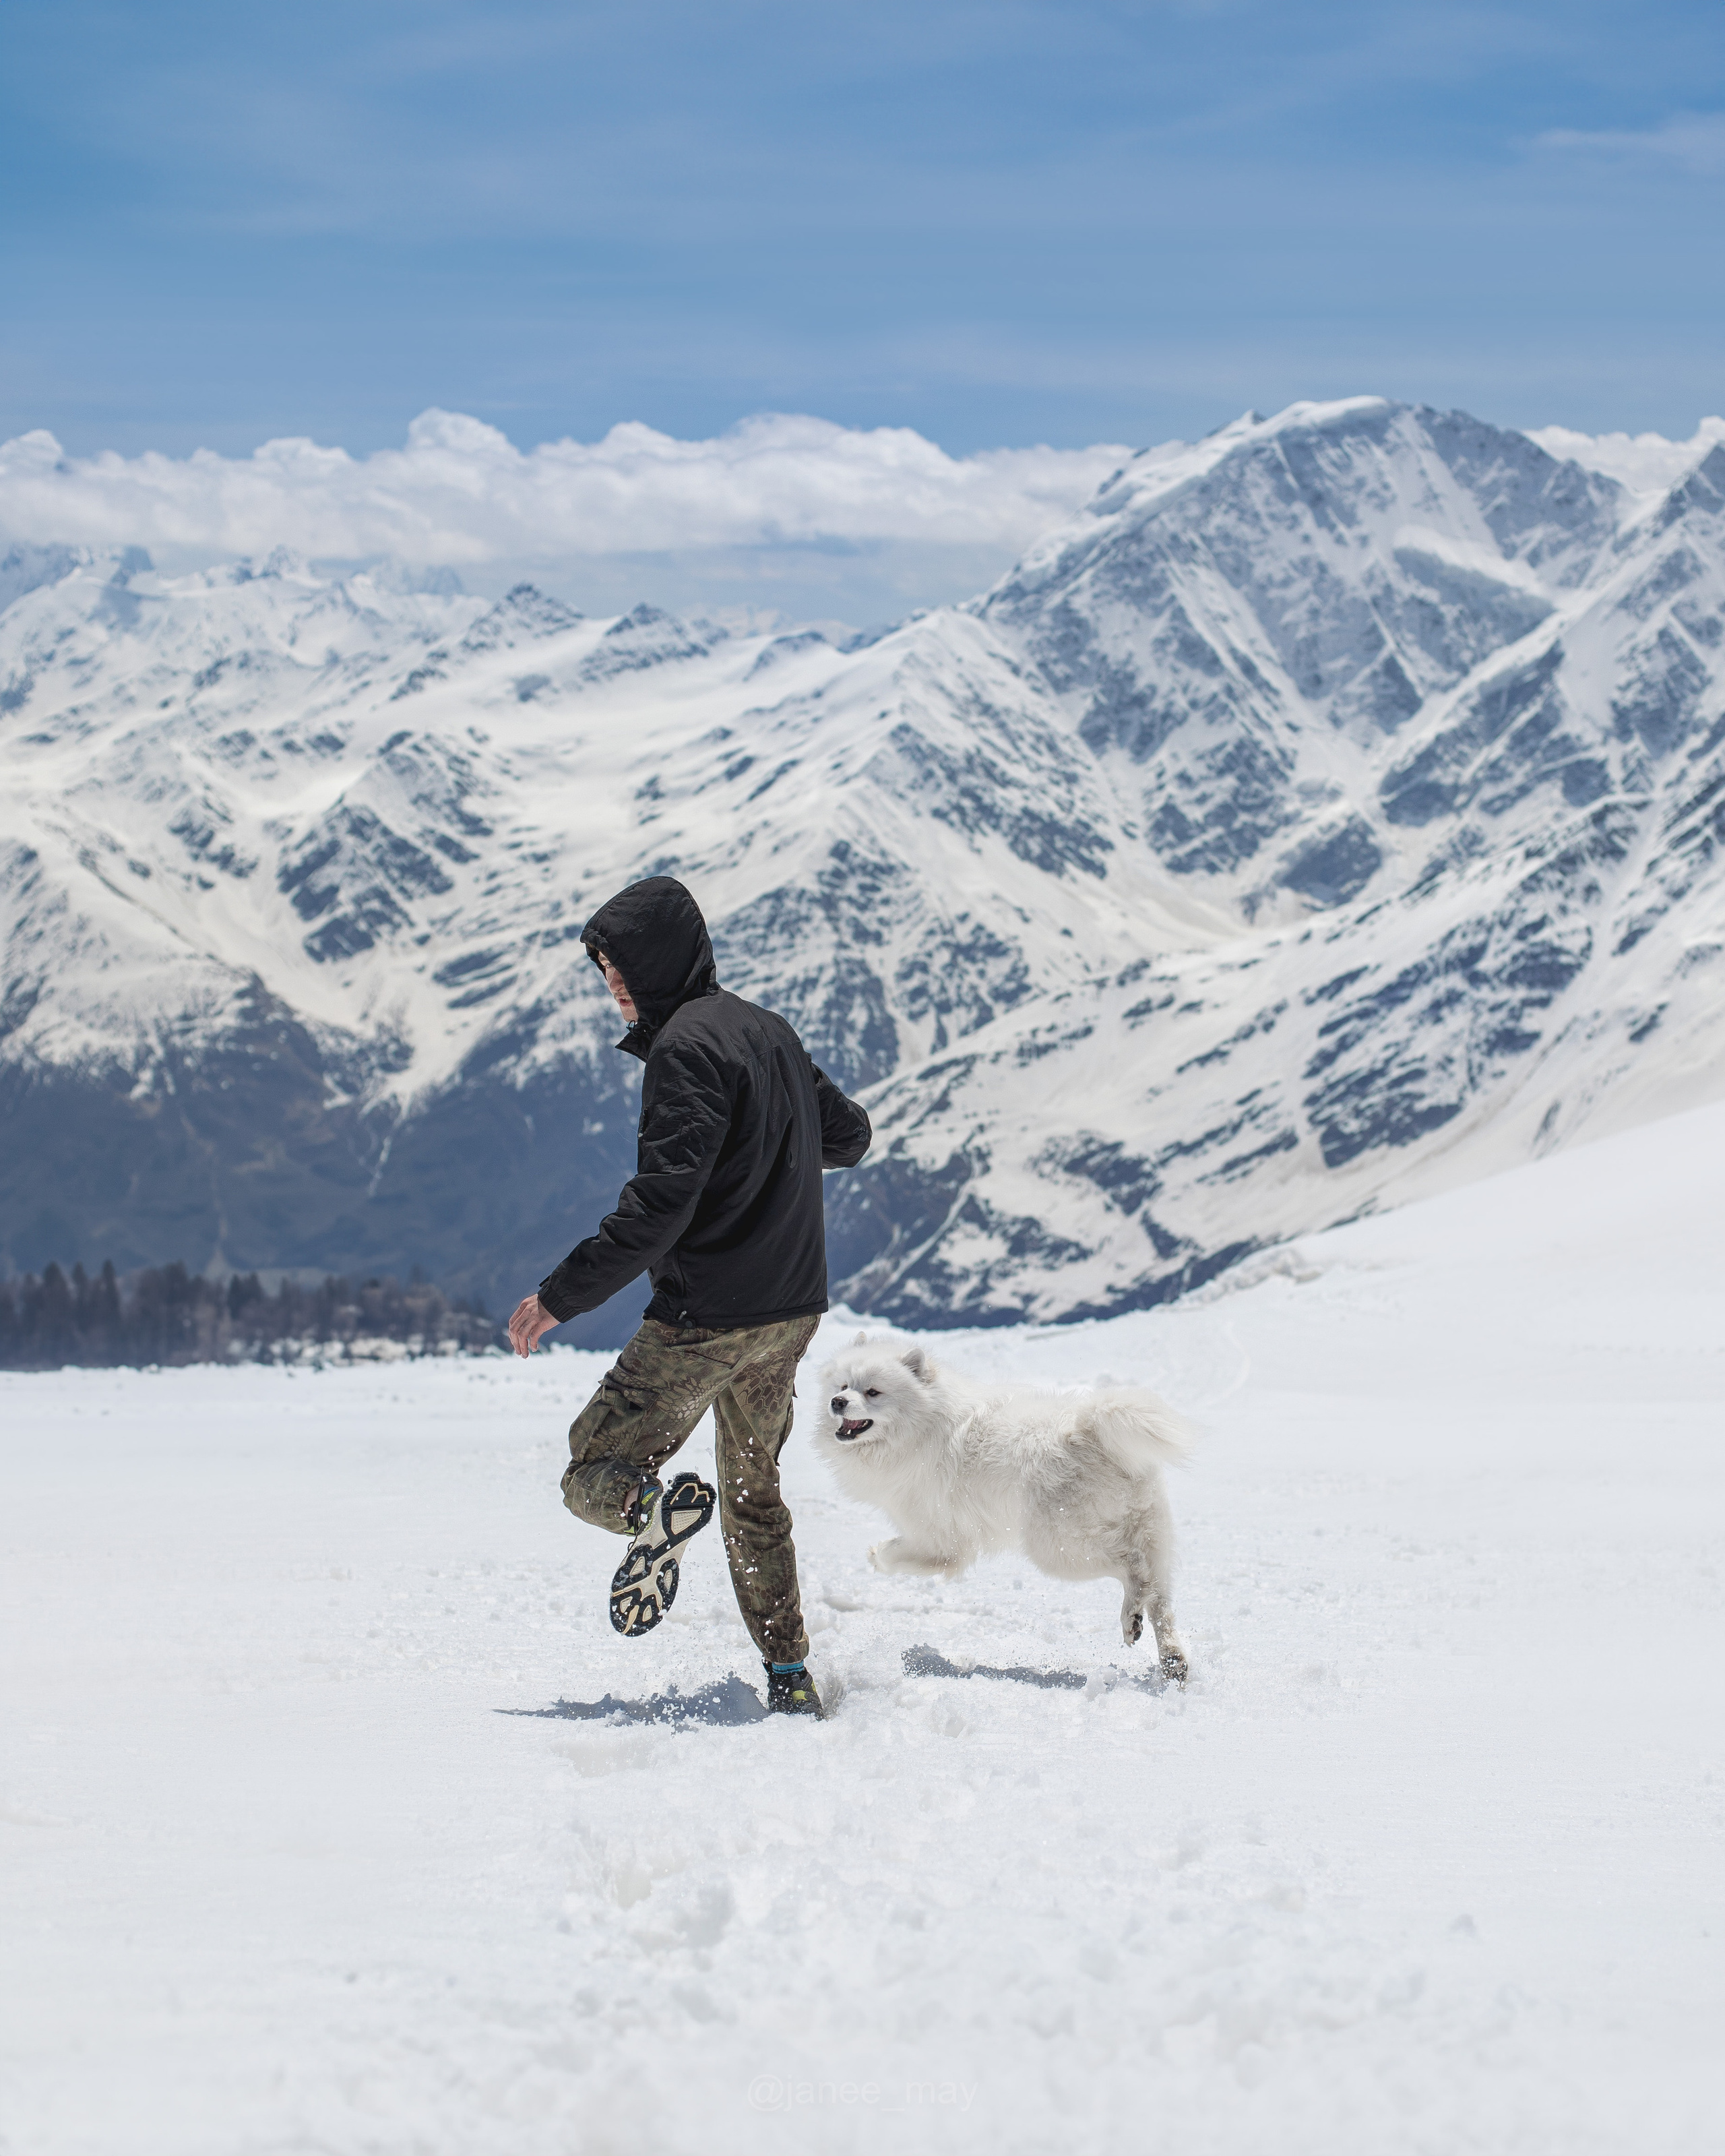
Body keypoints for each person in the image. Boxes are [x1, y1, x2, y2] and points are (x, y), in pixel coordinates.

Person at [507, 875, 872, 1719]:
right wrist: (767, 1144)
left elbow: (661, 1205)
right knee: (753, 1493)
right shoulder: (767, 1031)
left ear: (661, 961)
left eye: (620, 968)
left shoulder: (683, 1049)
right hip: (791, 1311)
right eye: (605, 970)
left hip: (705, 1317)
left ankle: (649, 1507)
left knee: (590, 1466)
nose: (613, 987)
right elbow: (848, 1135)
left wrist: (560, 1297)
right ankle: (788, 1676)